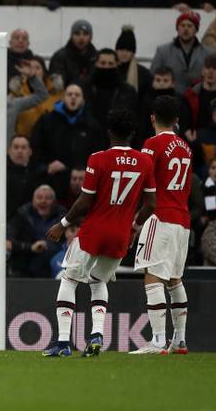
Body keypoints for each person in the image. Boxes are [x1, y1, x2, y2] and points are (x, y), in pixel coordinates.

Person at [42, 109, 156, 357]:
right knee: (98, 281)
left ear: (109, 133)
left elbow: (84, 201)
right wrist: (135, 228)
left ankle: (63, 343)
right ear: (133, 134)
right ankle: (97, 335)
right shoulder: (146, 162)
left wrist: (62, 223)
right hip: (120, 234)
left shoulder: (98, 159)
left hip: (94, 231)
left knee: (69, 279)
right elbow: (151, 204)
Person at [130, 96, 192, 355]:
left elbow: (142, 180)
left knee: (152, 275)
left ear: (152, 117)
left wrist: (135, 219)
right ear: (177, 119)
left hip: (161, 216)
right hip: (183, 221)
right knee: (175, 278)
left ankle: (157, 340)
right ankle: (179, 340)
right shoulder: (186, 147)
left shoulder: (152, 144)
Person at [7, 185, 66, 278]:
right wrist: (30, 247)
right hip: (25, 263)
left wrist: (49, 246)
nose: (43, 201)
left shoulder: (63, 216)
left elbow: (68, 239)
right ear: (33, 200)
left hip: (53, 261)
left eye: (48, 198)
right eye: (39, 198)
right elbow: (7, 242)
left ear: (54, 202)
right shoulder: (22, 214)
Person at [152, 11, 213, 95]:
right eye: (182, 25)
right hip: (170, 98)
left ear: (196, 30)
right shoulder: (162, 51)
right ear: (177, 28)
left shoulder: (208, 53)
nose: (186, 29)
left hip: (198, 99)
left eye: (190, 26)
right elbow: (153, 76)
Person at [50, 19, 97, 86]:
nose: (81, 38)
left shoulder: (96, 57)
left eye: (86, 34)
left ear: (91, 37)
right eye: (77, 34)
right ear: (71, 36)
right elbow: (56, 86)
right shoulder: (59, 57)